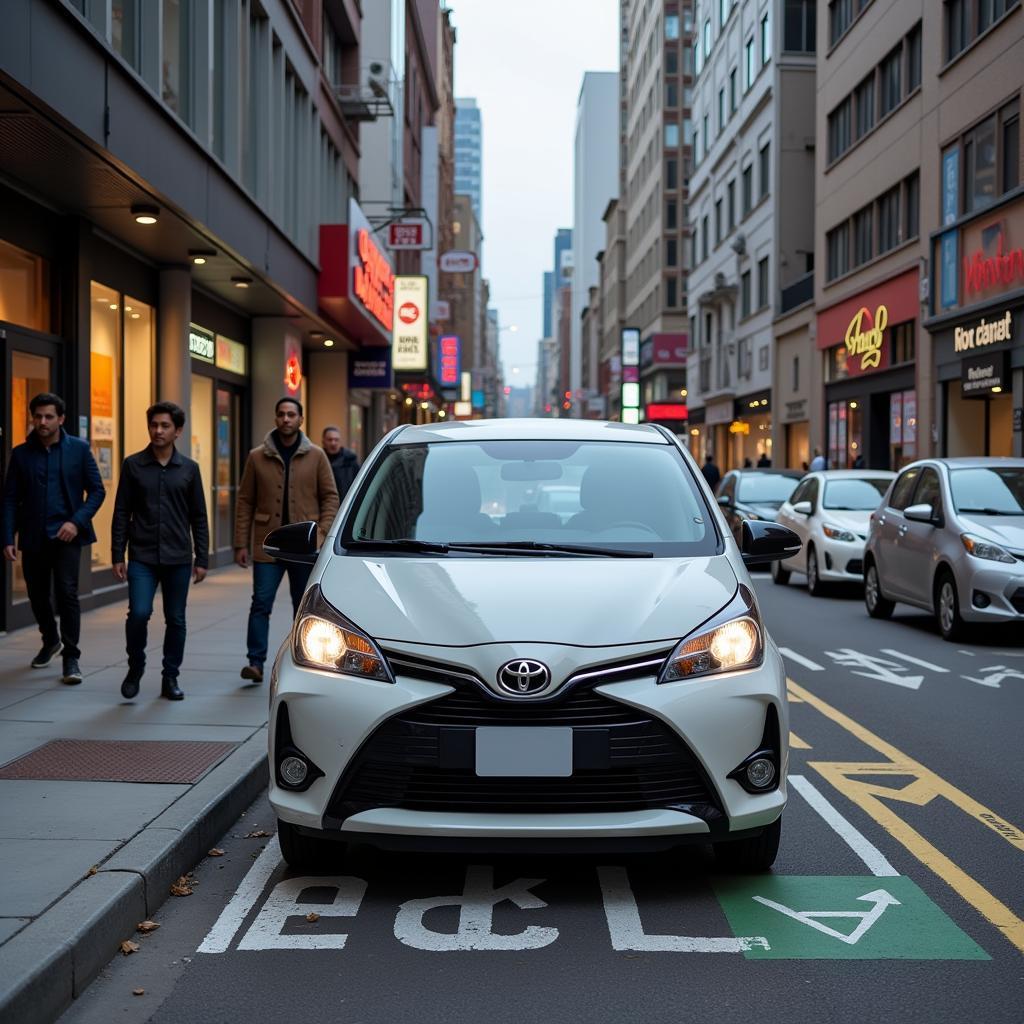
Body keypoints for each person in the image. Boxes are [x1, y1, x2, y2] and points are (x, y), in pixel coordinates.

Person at [1, 393, 105, 684]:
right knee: (36, 594)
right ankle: (50, 640)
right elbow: (10, 499)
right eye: (38, 416)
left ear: (61, 419)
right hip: (34, 535)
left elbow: (97, 491)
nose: (42, 422)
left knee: (67, 593)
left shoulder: (79, 450)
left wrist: (76, 521)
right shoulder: (21, 454)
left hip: (67, 536)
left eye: (49, 417)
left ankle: (71, 658)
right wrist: (7, 536)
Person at [234, 398, 339, 682]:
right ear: (275, 418)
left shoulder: (316, 455)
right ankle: (255, 662)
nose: (286, 419)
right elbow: (245, 501)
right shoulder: (257, 456)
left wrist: (322, 531)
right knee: (261, 603)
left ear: (300, 419)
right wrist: (240, 543)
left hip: (303, 546)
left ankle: (302, 660)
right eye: (281, 414)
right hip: (266, 543)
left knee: (302, 605)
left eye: (291, 414)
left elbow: (330, 496)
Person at [111, 402, 209, 702]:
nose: (158, 430)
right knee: (139, 613)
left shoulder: (189, 469)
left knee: (176, 619)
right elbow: (121, 511)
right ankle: (135, 666)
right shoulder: (133, 465)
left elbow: (199, 516)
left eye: (165, 426)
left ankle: (170, 677)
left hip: (178, 556)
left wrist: (202, 558)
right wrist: (117, 553)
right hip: (142, 555)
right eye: (154, 424)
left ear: (177, 431)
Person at [321, 426, 361, 504]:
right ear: (323, 441)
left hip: (346, 506)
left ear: (340, 441)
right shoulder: (318, 460)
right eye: (330, 440)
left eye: (336, 440)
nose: (333, 443)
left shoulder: (350, 461)